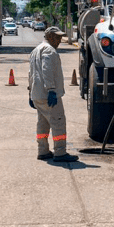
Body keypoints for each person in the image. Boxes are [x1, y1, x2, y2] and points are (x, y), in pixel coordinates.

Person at [28, 27, 79, 163]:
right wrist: (51, 89)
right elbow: (46, 70)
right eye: (57, 37)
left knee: (43, 123)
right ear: (49, 36)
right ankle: (60, 152)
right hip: (48, 95)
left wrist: (30, 93)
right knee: (58, 122)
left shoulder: (36, 50)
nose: (59, 40)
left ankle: (43, 151)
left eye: (60, 37)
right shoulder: (49, 50)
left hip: (37, 94)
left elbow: (31, 74)